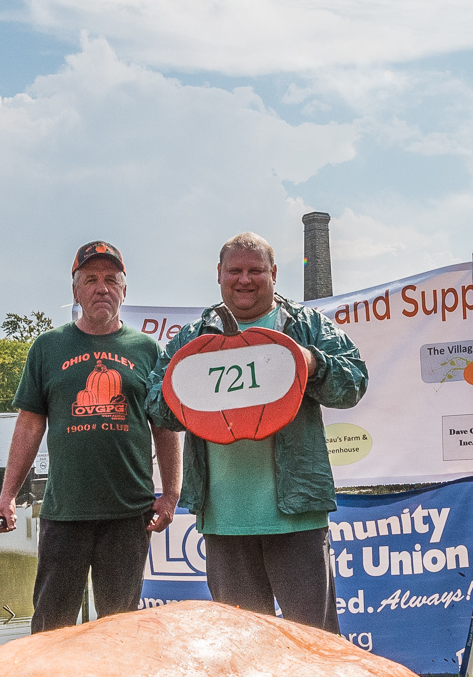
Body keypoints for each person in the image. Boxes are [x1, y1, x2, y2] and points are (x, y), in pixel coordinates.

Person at [148, 231, 367, 629]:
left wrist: (311, 361)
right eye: (235, 270)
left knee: (314, 643)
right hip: (224, 521)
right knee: (244, 649)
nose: (244, 280)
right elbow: (157, 407)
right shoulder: (195, 337)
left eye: (255, 270)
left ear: (274, 273)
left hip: (297, 516)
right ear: (219, 274)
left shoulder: (305, 325)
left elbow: (355, 381)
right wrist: (183, 388)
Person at [0, 241, 182, 632]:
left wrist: (172, 493)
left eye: (111, 279)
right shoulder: (48, 348)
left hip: (129, 513)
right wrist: (7, 496)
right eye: (91, 279)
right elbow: (28, 425)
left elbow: (164, 425)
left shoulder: (146, 349)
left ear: (124, 290)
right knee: (51, 626)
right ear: (75, 290)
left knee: (119, 627)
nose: (102, 288)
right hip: (66, 512)